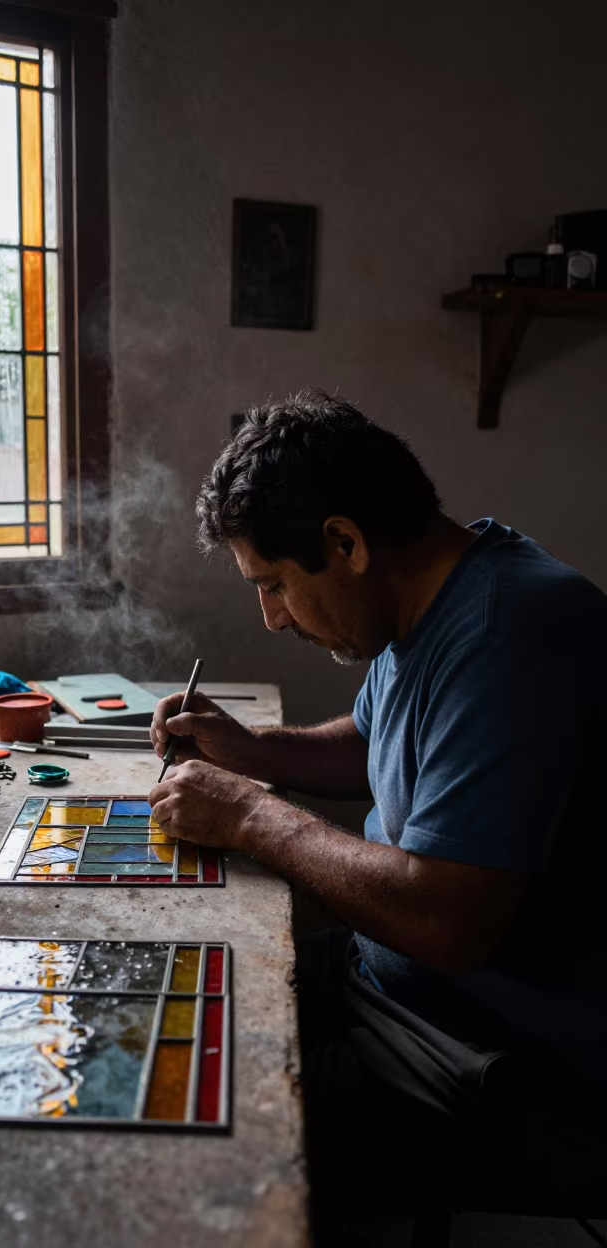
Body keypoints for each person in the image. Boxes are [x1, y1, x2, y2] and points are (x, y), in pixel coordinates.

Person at [148, 389, 607, 1229]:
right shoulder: (429, 596)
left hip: (519, 1057)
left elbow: (444, 920)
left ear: (345, 543)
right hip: (398, 984)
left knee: (216, 1148)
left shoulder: (511, 631)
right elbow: (373, 742)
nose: (272, 618)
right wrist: (251, 750)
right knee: (179, 1012)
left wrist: (250, 816)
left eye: (274, 585)